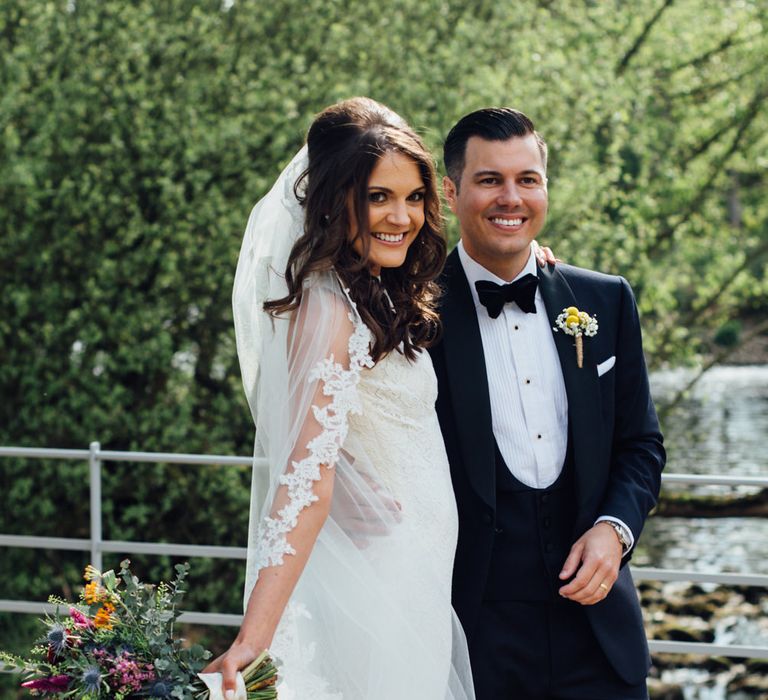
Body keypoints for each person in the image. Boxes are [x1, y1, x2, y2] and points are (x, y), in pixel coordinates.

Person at [202, 97, 477, 699]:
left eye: (412, 197)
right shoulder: (327, 309)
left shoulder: (370, 291)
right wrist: (255, 637)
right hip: (380, 581)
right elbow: (306, 478)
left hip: (416, 569)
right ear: (333, 201)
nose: (401, 216)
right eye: (378, 196)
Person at [429, 108, 666, 700]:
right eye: (490, 180)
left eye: (527, 179)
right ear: (451, 192)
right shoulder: (412, 312)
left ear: (545, 188)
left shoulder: (605, 300)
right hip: (471, 634)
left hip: (599, 634)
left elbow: (641, 446)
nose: (511, 198)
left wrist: (615, 531)